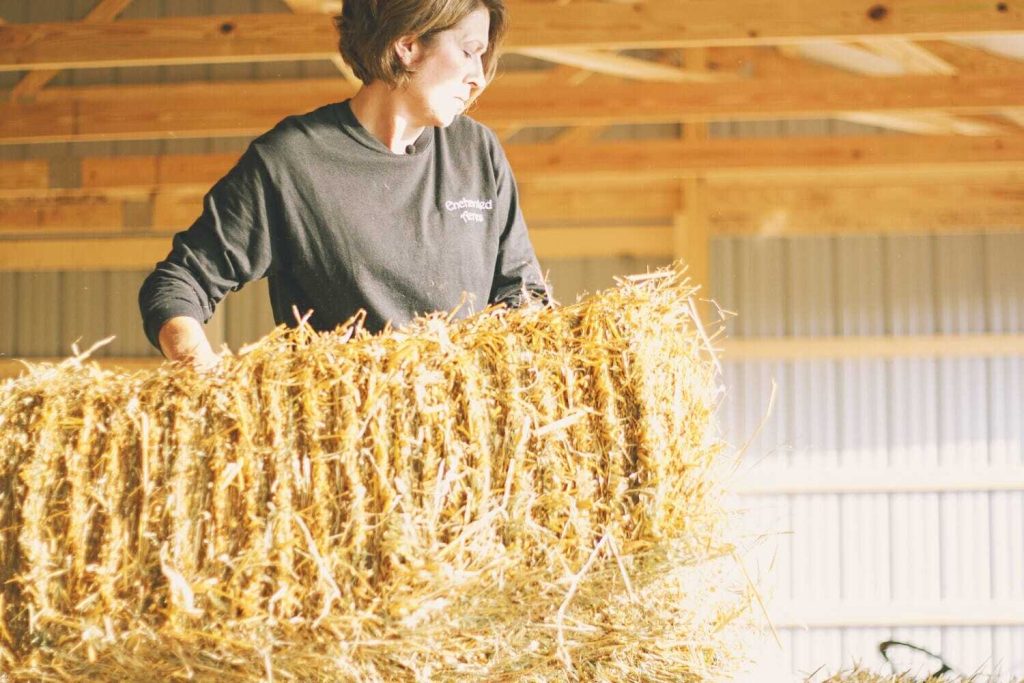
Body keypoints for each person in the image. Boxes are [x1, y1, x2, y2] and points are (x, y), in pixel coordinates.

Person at [139, 0, 547, 369]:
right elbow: (178, 284)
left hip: (465, 436)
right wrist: (208, 379)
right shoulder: (291, 162)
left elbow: (523, 293)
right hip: (347, 438)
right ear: (408, 46)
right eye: (469, 51)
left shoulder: (475, 151)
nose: (479, 77)